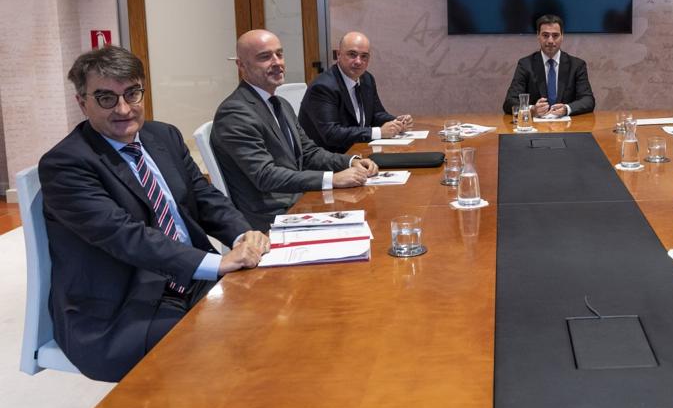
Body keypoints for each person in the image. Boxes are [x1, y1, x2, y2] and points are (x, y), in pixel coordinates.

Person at [38, 46, 269, 382]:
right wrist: (215, 264)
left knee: (276, 308)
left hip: (192, 278)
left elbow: (204, 198)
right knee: (221, 353)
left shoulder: (163, 136)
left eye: (132, 93)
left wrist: (241, 234)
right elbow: (125, 235)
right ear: (81, 102)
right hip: (125, 306)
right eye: (106, 98)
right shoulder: (66, 164)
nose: (124, 108)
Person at [212, 29, 379, 231]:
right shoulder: (235, 113)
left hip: (299, 201)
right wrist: (332, 179)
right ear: (241, 65)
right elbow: (266, 175)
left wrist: (351, 161)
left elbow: (308, 152)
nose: (277, 62)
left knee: (370, 215)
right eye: (265, 57)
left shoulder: (280, 103)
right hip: (271, 218)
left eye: (279, 54)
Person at [299, 31, 413, 154]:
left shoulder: (367, 79)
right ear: (338, 55)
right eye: (352, 54)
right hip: (328, 158)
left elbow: (377, 114)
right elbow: (332, 134)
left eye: (364, 56)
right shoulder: (323, 87)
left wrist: (396, 122)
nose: (358, 61)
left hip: (358, 151)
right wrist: (379, 132)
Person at [502, 14, 595, 117]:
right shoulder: (525, 65)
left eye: (555, 35)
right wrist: (532, 110)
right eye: (545, 35)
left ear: (562, 36)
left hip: (567, 128)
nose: (550, 41)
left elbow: (588, 100)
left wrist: (566, 109)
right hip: (536, 129)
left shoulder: (577, 65)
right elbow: (509, 102)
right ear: (538, 35)